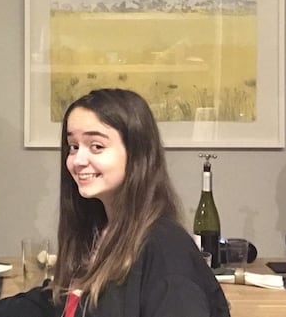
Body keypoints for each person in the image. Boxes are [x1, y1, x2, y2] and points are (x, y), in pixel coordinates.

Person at [50, 88, 230, 317]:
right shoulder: (99, 231)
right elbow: (57, 302)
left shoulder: (166, 253)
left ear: (137, 154)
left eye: (96, 146)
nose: (78, 160)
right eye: (74, 147)